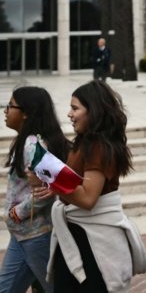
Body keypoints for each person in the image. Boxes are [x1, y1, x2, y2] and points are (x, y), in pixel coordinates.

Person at [32, 81, 146, 292]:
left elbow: (87, 199)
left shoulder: (98, 147)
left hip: (91, 244)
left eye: (75, 108)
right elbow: (76, 184)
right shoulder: (84, 142)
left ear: (93, 111)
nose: (69, 114)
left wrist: (54, 181)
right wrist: (56, 186)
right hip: (78, 237)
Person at [0, 87, 70, 293]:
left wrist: (18, 212)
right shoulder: (26, 141)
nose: (5, 110)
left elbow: (46, 191)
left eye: (10, 106)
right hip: (22, 235)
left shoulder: (33, 145)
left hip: (36, 236)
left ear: (26, 113)